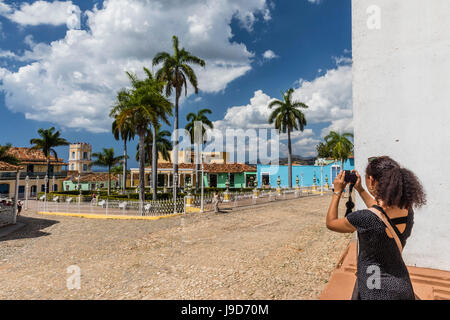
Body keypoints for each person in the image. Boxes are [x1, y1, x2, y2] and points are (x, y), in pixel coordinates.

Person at [325, 156, 426, 300]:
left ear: (371, 180)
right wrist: (360, 189)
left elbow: (331, 222)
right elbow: (379, 211)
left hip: (375, 289)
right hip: (402, 287)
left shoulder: (365, 219)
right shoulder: (407, 210)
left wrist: (337, 192)